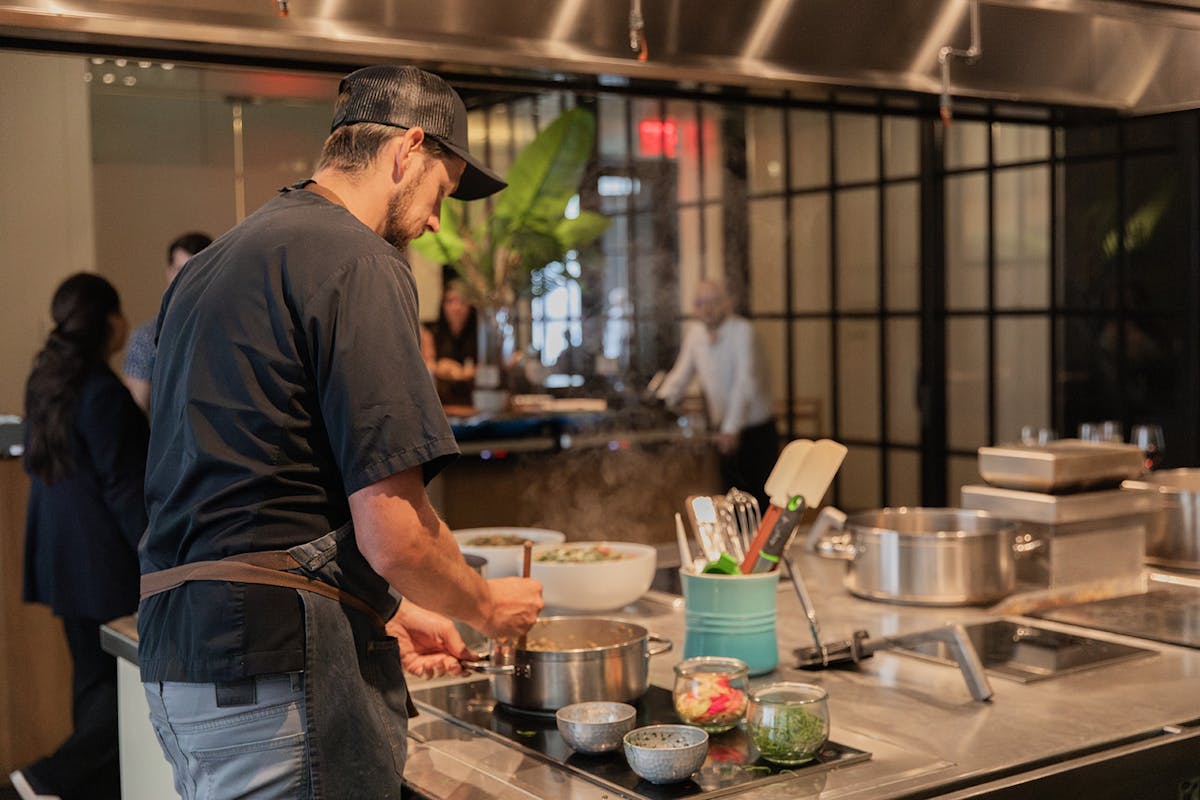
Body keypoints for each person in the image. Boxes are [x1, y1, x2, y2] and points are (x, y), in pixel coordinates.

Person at [136, 65, 543, 800]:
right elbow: (396, 533)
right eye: (441, 193)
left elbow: (254, 487)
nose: (435, 223)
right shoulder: (359, 260)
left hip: (182, 662)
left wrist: (386, 609)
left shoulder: (213, 265)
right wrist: (485, 608)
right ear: (406, 152)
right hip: (273, 675)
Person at [13, 273, 148, 800]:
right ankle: (49, 778)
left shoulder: (46, 381)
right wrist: (155, 555)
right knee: (118, 692)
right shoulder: (100, 392)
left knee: (92, 684)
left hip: (61, 560)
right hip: (105, 563)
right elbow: (124, 489)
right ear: (109, 322)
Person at [656, 278, 778, 509]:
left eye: (713, 302)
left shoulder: (742, 331)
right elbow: (679, 376)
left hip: (755, 432)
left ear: (727, 303)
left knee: (760, 503)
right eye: (700, 303)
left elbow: (745, 382)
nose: (707, 309)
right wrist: (658, 403)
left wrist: (731, 428)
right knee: (731, 503)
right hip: (724, 432)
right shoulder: (695, 334)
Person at [121, 231, 212, 413]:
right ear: (169, 272)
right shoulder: (146, 337)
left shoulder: (229, 329)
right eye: (180, 271)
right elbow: (135, 413)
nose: (187, 280)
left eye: (197, 271)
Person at [421, 278, 478, 406]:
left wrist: (465, 373)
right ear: (443, 305)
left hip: (475, 403)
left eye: (462, 301)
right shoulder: (430, 332)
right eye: (450, 301)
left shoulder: (481, 333)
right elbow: (427, 365)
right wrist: (439, 367)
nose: (456, 307)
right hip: (440, 405)